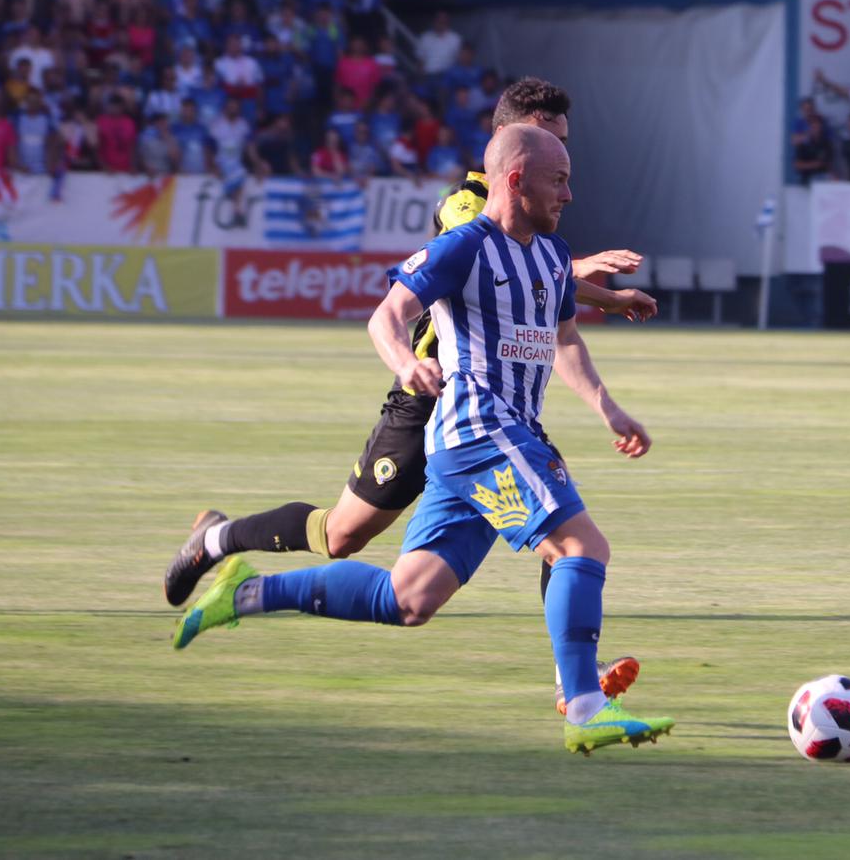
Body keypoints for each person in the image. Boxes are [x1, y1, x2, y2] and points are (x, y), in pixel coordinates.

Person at [171, 122, 676, 755]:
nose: (569, 195)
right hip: (481, 429)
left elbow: (562, 339)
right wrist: (405, 364)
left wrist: (609, 408)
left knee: (408, 598)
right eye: (560, 180)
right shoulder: (464, 246)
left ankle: (242, 591)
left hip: (480, 445)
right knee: (581, 547)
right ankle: (583, 705)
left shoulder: (550, 255)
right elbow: (387, 315)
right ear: (515, 180)